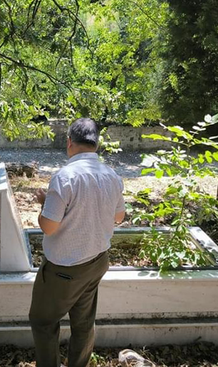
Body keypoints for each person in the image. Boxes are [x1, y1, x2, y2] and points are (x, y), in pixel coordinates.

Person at [29, 118, 126, 367]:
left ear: (69, 142)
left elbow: (49, 227)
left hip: (65, 269)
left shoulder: (64, 177)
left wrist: (43, 204)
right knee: (83, 323)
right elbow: (119, 217)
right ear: (96, 144)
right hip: (97, 261)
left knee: (42, 321)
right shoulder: (111, 175)